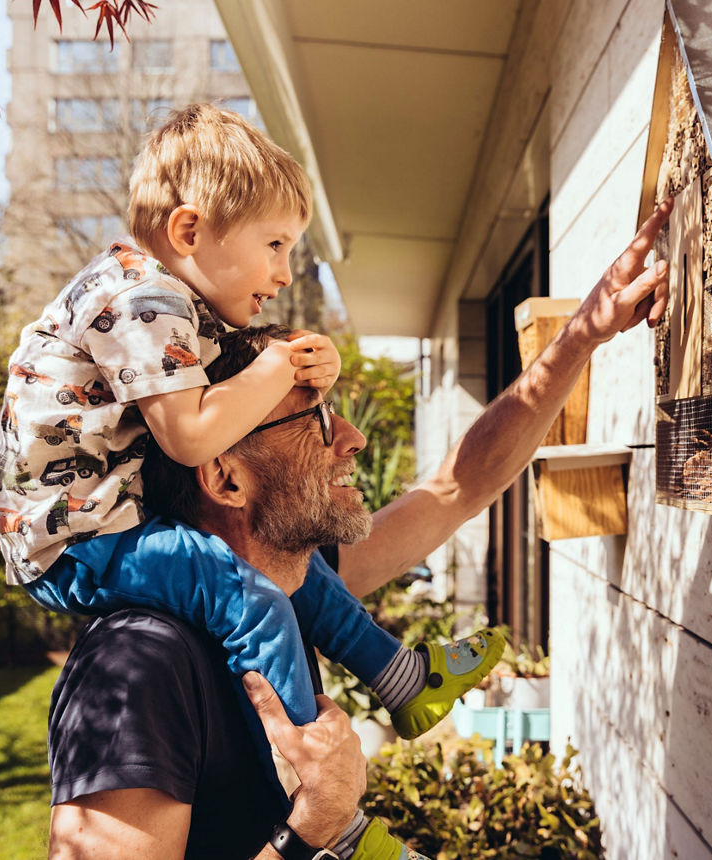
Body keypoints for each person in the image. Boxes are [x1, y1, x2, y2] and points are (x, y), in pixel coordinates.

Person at [45, 198, 676, 859]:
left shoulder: (297, 586)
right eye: (315, 422)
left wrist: (581, 337)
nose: (356, 438)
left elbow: (460, 486)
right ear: (226, 477)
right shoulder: (135, 668)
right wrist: (313, 828)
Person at [0, 102, 504, 762]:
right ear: (190, 231)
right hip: (75, 542)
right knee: (252, 598)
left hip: (108, 521)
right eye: (275, 245)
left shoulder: (172, 303)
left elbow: (249, 401)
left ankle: (400, 677)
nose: (286, 272)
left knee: (286, 561)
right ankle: (310, 786)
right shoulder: (140, 297)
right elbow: (193, 436)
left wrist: (314, 365)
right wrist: (279, 363)